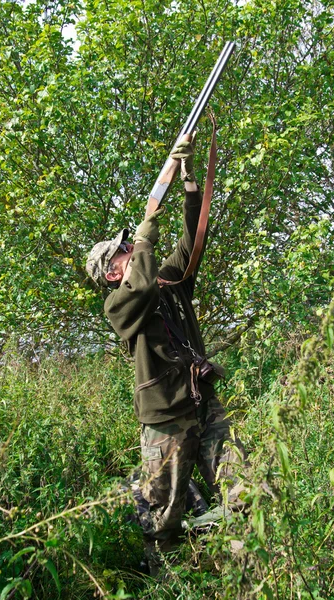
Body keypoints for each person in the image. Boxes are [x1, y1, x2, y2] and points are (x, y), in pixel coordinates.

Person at [86, 141, 249, 575]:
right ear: (112, 272)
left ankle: (254, 568)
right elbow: (140, 285)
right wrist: (143, 235)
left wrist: (188, 176)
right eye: (125, 250)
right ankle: (164, 581)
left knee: (244, 488)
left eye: (130, 245)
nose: (133, 249)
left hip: (202, 402)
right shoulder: (120, 304)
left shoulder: (166, 280)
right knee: (164, 513)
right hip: (165, 419)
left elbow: (194, 236)